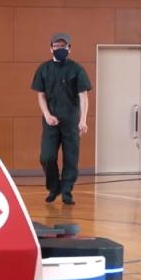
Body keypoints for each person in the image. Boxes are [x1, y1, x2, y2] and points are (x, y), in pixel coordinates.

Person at [31, 32, 92, 205]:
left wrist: (83, 120)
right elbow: (40, 95)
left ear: (69, 49)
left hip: (71, 121)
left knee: (71, 157)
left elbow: (83, 96)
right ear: (51, 48)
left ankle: (66, 191)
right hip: (50, 121)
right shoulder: (44, 69)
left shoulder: (77, 69)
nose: (60, 49)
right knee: (47, 157)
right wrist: (47, 115)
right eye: (56, 46)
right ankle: (53, 187)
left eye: (63, 46)